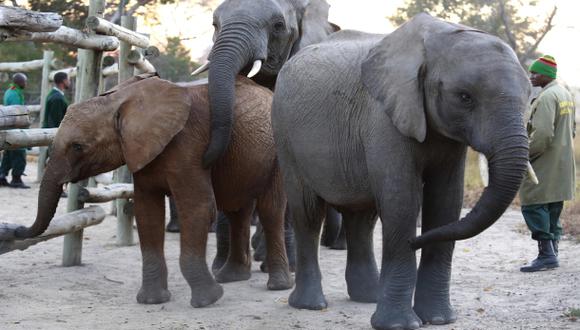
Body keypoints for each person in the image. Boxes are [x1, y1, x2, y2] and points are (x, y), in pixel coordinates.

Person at [520, 55, 576, 272]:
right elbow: (571, 130)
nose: (532, 76)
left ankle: (546, 255)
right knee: (553, 205)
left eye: (536, 73)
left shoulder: (546, 97)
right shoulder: (565, 94)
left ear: (547, 75)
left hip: (544, 161)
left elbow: (542, 134)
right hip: (562, 160)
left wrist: (525, 154)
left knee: (533, 204)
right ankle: (553, 252)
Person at [0, 73, 29, 189]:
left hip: (8, 127)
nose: (26, 84)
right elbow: (18, 111)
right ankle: (16, 178)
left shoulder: (10, 91)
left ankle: (2, 176)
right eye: (25, 81)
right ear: (20, 82)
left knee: (8, 154)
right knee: (19, 154)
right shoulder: (16, 94)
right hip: (15, 127)